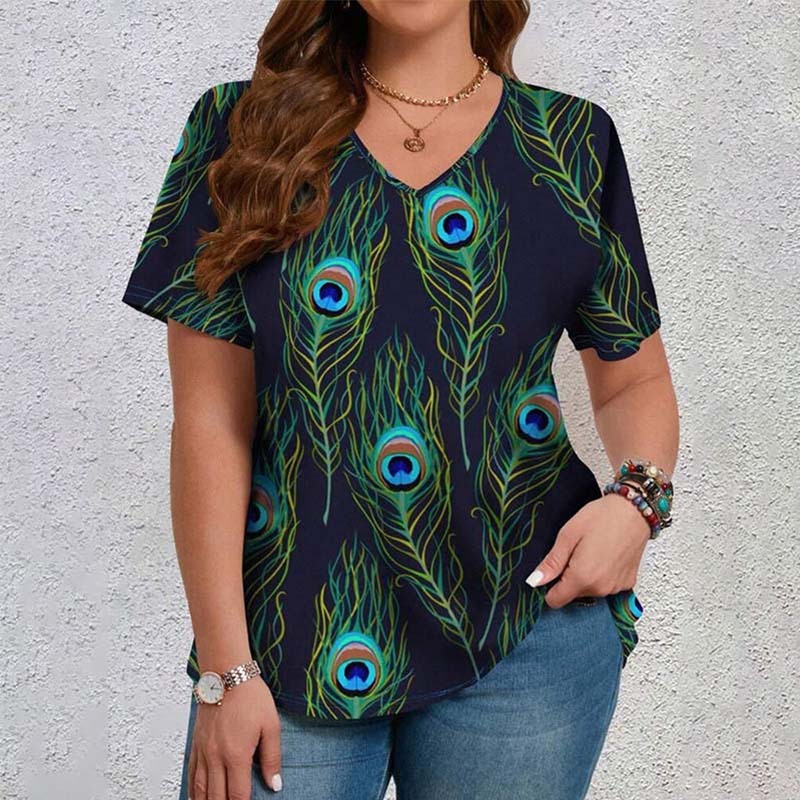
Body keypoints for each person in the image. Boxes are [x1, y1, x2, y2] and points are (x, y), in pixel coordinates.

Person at [121, 1, 680, 797]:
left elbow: (633, 377)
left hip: (526, 636)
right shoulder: (240, 132)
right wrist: (224, 670)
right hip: (285, 648)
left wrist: (636, 503)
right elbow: (211, 421)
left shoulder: (571, 143)